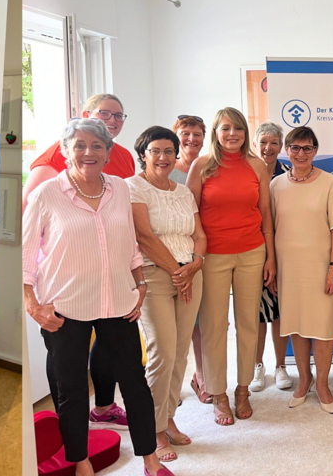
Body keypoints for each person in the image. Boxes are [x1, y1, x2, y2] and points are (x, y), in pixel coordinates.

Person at [23, 118, 171, 476]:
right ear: (65, 151)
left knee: (134, 383)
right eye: (79, 145)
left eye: (97, 146)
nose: (88, 152)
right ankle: (81, 461)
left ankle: (149, 459)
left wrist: (141, 283)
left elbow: (129, 244)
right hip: (65, 307)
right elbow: (25, 255)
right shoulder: (47, 194)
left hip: (118, 303)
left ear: (108, 153)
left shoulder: (120, 188)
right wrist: (32, 305)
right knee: (72, 390)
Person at [186, 107, 276, 426]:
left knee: (248, 323)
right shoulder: (201, 166)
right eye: (226, 129)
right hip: (213, 257)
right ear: (216, 132)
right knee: (213, 326)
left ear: (244, 132)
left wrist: (271, 258)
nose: (232, 134)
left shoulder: (256, 165)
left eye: (237, 128)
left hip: (252, 252)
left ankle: (242, 390)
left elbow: (266, 214)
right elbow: (191, 214)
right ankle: (218, 394)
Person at [127, 126, 207, 463]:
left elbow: (200, 235)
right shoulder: (133, 187)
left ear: (176, 156)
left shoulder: (183, 191)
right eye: (155, 151)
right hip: (156, 275)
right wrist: (178, 271)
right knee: (162, 350)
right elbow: (144, 237)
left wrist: (195, 264)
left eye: (169, 152)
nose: (162, 157)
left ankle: (169, 418)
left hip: (190, 274)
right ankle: (155, 430)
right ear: (143, 153)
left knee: (180, 350)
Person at [272, 127, 333, 413]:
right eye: (295, 147)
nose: (301, 153)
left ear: (315, 150)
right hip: (288, 269)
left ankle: (323, 384)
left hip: (321, 268)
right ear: (287, 150)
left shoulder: (329, 183)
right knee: (296, 325)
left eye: (307, 148)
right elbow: (269, 229)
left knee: (323, 328)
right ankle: (304, 381)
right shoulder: (276, 186)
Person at [23, 93, 136, 210]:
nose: (112, 120)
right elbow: (27, 206)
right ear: (86, 115)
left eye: (118, 116)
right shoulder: (59, 152)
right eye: (104, 113)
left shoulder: (125, 155)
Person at [169, 115, 214, 405]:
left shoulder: (210, 168)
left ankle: (201, 376)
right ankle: (169, 384)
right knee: (170, 325)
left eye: (198, 134)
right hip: (170, 255)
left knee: (200, 321)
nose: (192, 139)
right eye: (186, 133)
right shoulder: (163, 169)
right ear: (176, 136)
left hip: (203, 252)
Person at [250, 121, 293, 392]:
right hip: (251, 251)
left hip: (281, 252)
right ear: (255, 144)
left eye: (274, 143)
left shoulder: (288, 173)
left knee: (279, 313)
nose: (268, 148)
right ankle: (256, 366)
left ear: (281, 146)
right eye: (263, 142)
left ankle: (280, 366)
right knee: (253, 314)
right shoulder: (245, 172)